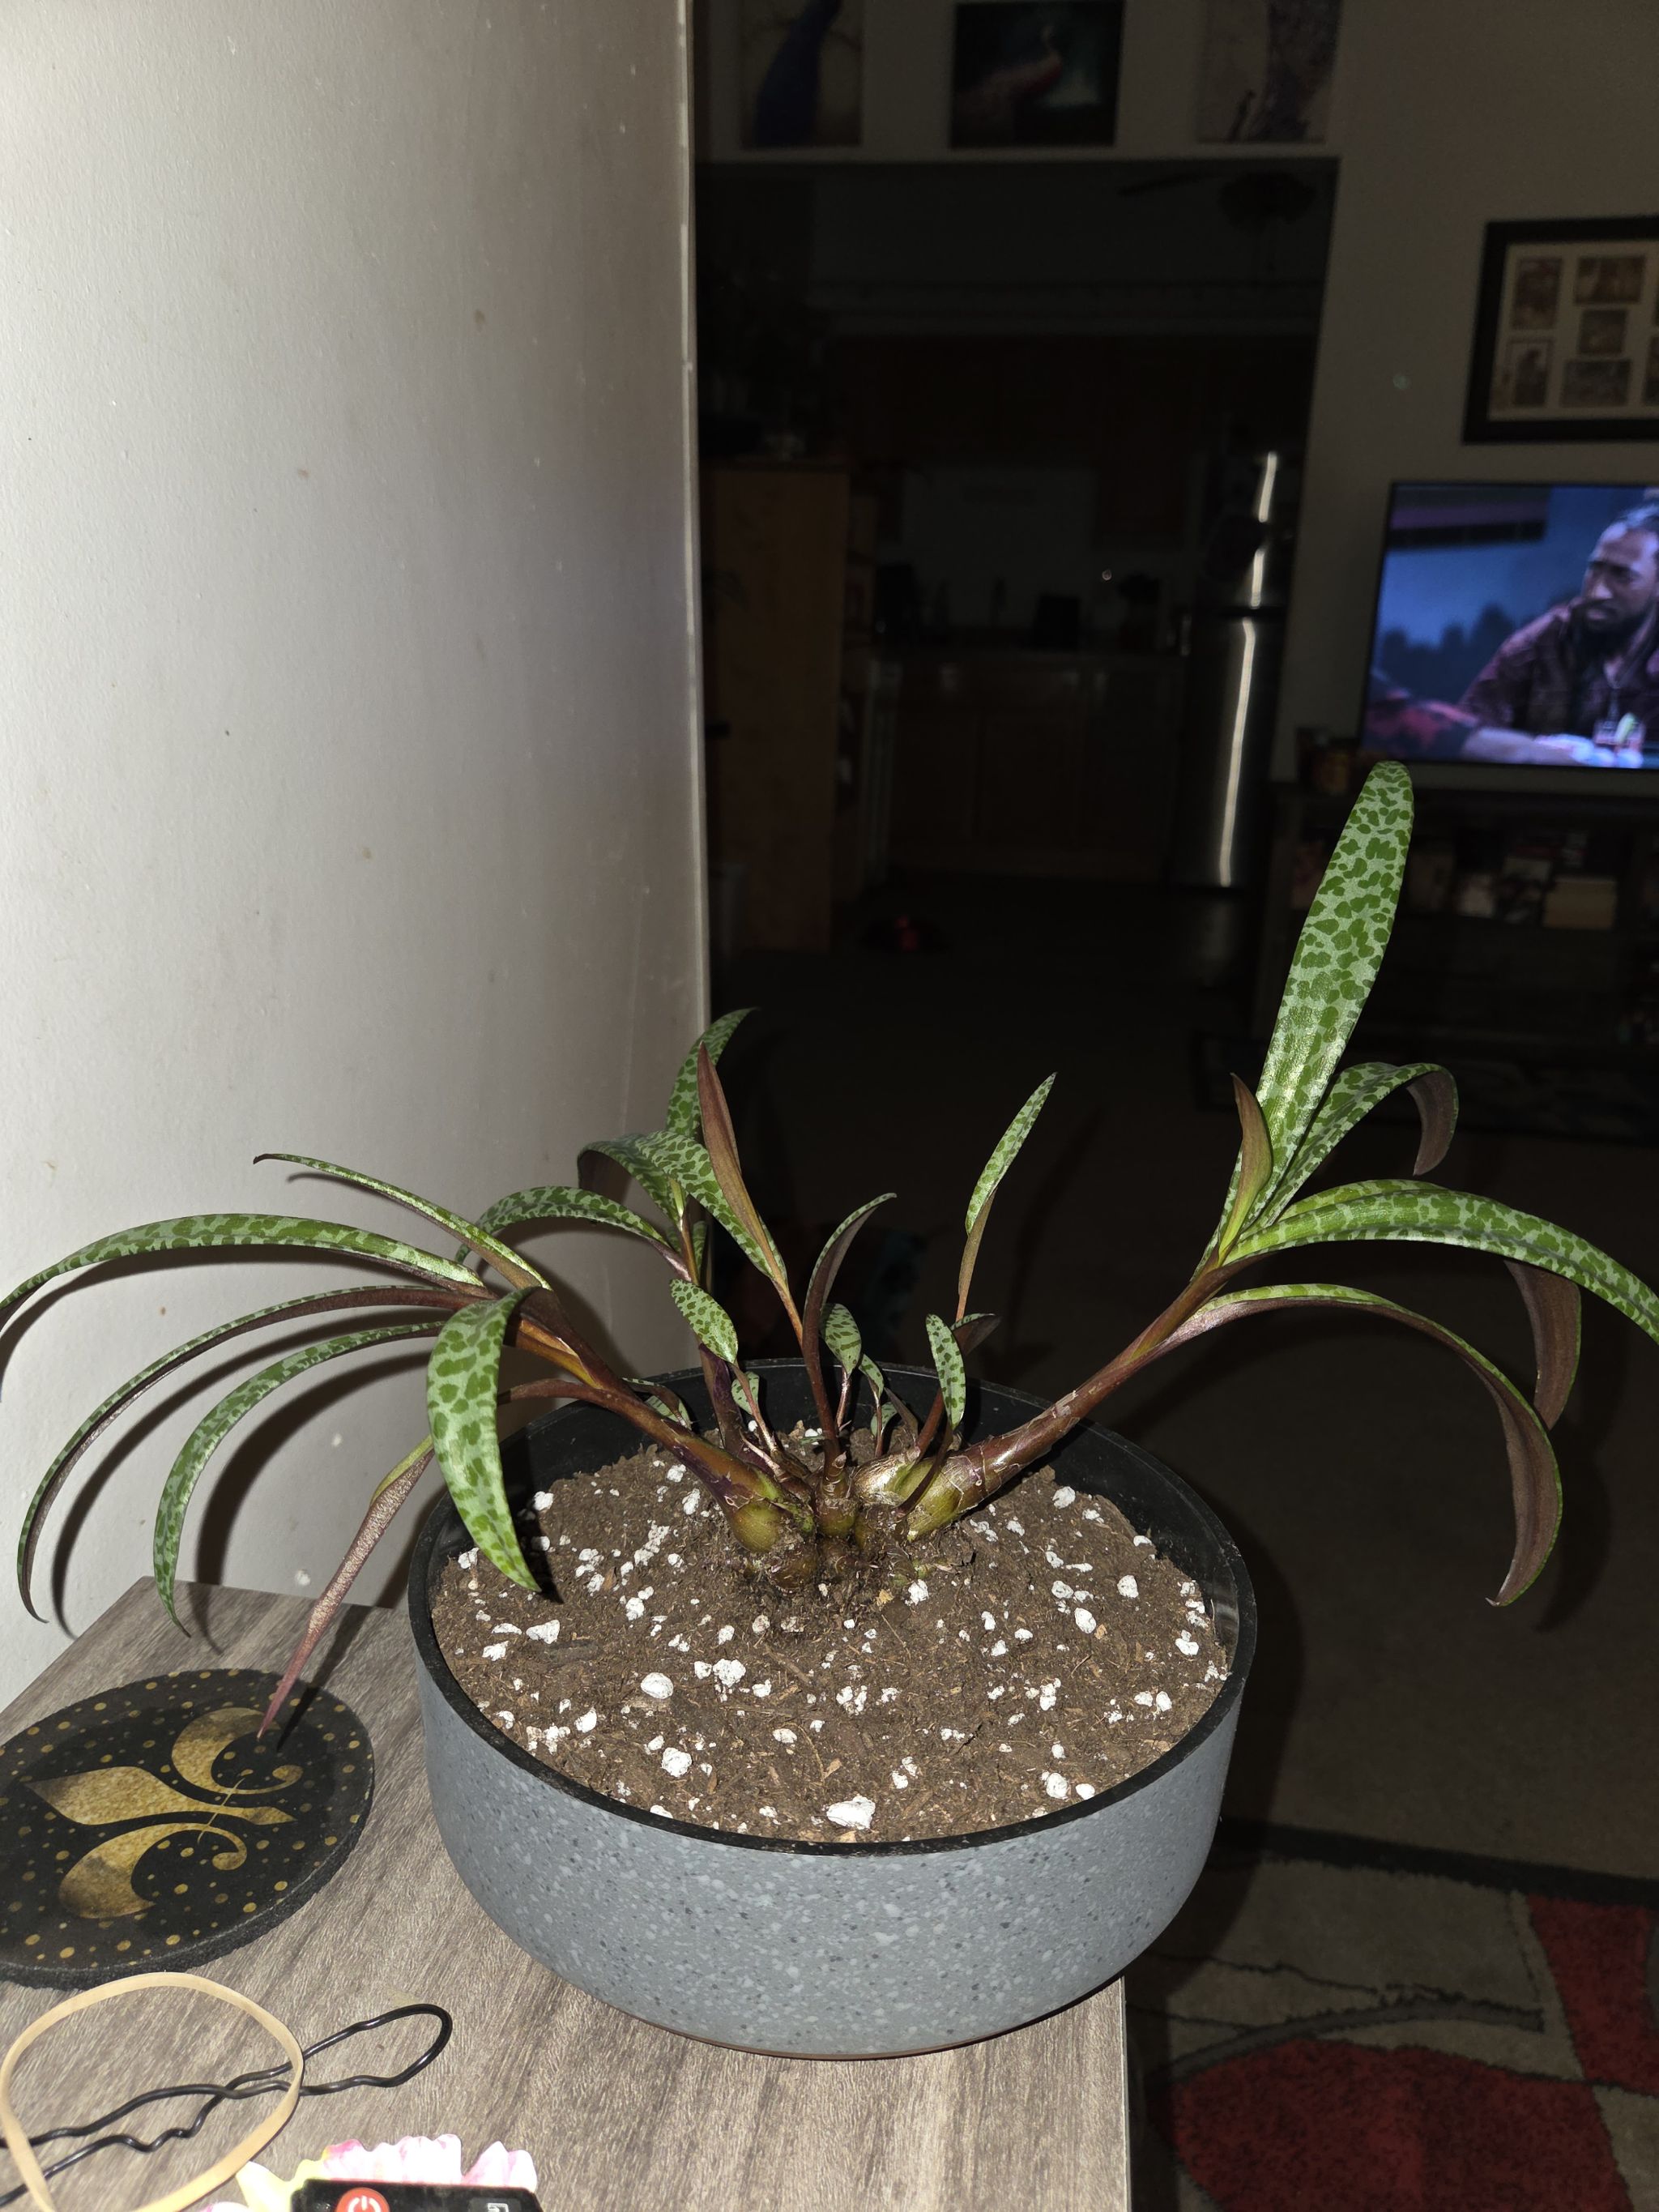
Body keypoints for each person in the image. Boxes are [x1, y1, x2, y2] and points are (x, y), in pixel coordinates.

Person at [1454, 506, 1659, 766]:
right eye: (1595, 569)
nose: (1597, 592)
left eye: (1623, 576)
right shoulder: (1542, 642)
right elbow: (1466, 739)